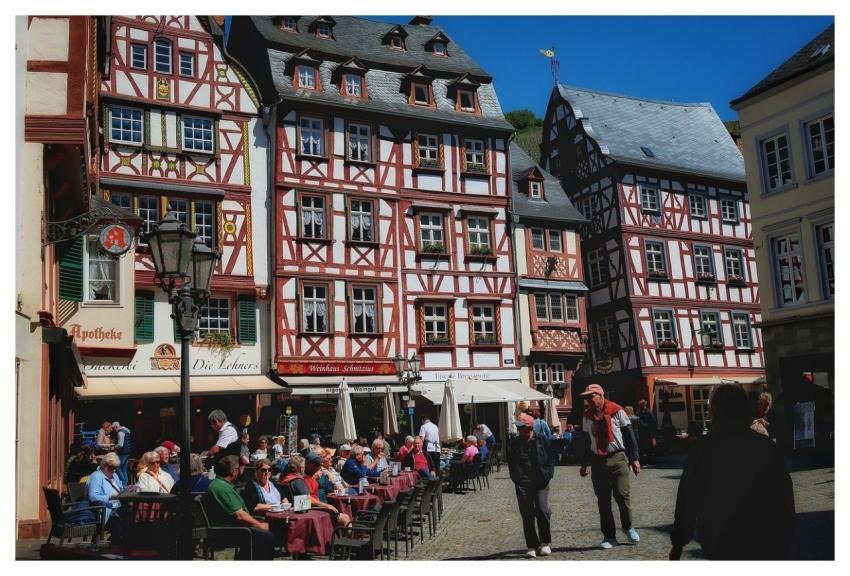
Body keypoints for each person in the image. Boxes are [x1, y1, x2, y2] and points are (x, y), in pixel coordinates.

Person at [670, 385, 794, 560]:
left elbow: (688, 498)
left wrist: (678, 543)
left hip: (721, 540)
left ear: (714, 411)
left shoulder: (703, 449)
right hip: (764, 538)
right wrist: (783, 540)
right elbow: (785, 497)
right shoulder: (766, 447)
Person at [578, 383, 641, 549]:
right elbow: (585, 441)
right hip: (598, 461)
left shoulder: (617, 410)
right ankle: (609, 536)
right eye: (586, 398)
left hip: (618, 457)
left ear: (601, 395)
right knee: (603, 501)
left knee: (622, 495)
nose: (588, 400)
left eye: (591, 396)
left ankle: (628, 527)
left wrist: (634, 459)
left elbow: (629, 435)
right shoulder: (586, 416)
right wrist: (584, 464)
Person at [205, 455, 276, 560]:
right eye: (241, 468)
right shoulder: (222, 488)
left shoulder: (223, 485)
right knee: (267, 536)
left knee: (269, 530)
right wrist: (259, 525)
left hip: (235, 527)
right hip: (228, 530)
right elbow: (240, 516)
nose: (243, 471)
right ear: (234, 471)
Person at [508, 413, 556, 558]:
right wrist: (516, 477)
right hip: (523, 482)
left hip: (540, 481)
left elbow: (550, 458)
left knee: (542, 510)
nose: (519, 430)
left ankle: (545, 542)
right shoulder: (515, 443)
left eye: (521, 427)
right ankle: (532, 545)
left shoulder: (542, 440)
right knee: (527, 514)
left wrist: (548, 474)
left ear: (529, 427)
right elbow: (511, 462)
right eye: (518, 428)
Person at [280, 454, 351, 526]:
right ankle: (349, 536)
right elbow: (308, 499)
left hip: (293, 512)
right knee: (345, 517)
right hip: (308, 511)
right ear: (301, 468)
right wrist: (326, 505)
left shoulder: (284, 479)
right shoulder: (298, 481)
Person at [87, 452, 124, 542]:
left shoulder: (114, 475)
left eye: (116, 468)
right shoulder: (96, 476)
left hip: (117, 506)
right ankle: (117, 541)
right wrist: (110, 496)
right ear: (104, 465)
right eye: (112, 468)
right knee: (125, 517)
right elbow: (93, 496)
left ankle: (119, 540)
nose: (114, 470)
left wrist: (127, 490)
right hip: (104, 510)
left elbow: (121, 490)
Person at [635, 400, 657, 465]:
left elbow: (653, 422)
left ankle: (650, 460)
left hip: (648, 432)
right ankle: (644, 461)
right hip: (641, 432)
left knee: (649, 447)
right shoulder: (638, 412)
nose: (639, 406)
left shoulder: (648, 412)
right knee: (643, 447)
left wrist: (653, 433)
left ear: (644, 405)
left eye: (640, 405)